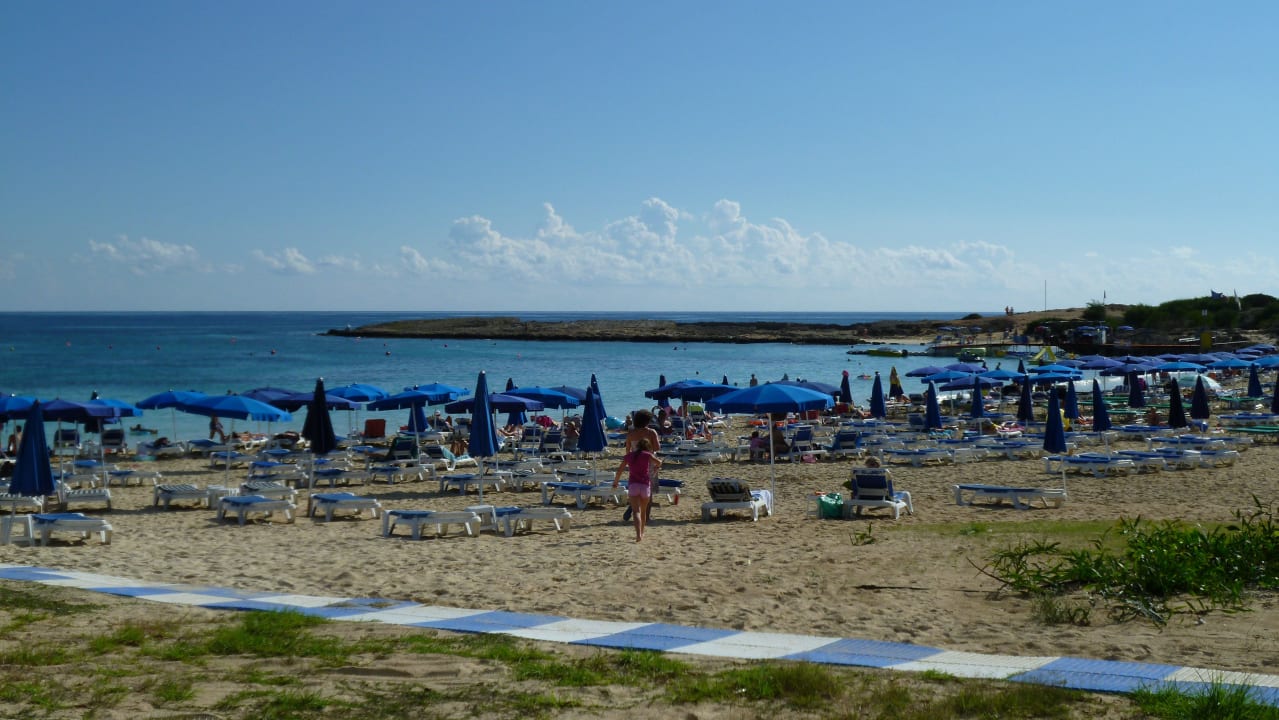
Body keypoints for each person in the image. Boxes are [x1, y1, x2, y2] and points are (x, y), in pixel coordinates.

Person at [613, 437, 663, 542]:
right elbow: (659, 462)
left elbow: (619, 470)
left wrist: (615, 483)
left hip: (633, 485)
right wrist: (656, 468)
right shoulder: (647, 455)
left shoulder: (629, 456)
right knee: (643, 511)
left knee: (636, 511)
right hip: (645, 485)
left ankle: (638, 535)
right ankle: (642, 532)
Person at [623, 410, 662, 522]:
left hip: (635, 462)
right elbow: (657, 448)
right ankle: (646, 517)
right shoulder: (651, 432)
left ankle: (633, 506)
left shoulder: (631, 434)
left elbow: (628, 450)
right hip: (648, 461)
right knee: (648, 489)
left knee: (636, 484)